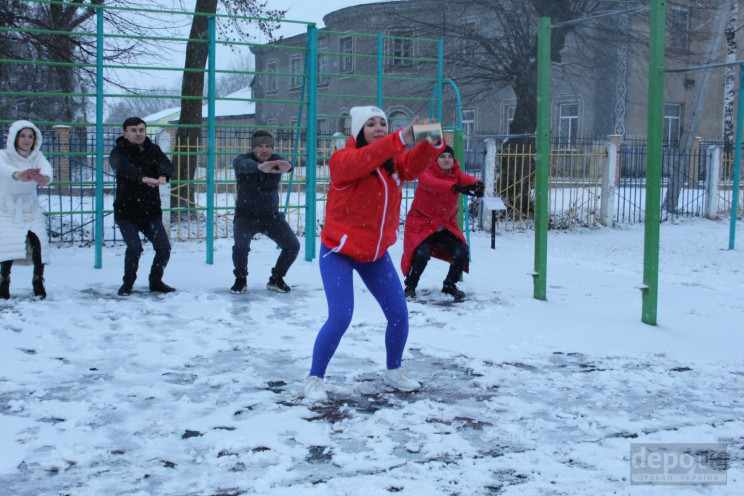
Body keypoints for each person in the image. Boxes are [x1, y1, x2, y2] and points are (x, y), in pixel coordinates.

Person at [304, 106, 445, 402]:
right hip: (339, 250)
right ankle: (315, 377)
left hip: (375, 254)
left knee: (398, 314)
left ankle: (393, 370)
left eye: (383, 122)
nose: (379, 127)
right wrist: (400, 137)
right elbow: (363, 159)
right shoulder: (343, 160)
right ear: (358, 131)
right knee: (341, 316)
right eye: (371, 124)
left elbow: (413, 165)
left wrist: (431, 141)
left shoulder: (392, 163)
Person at [400, 145, 484, 303]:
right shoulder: (426, 173)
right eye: (442, 156)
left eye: (449, 157)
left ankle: (449, 285)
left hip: (444, 228)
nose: (446, 159)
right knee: (421, 254)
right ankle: (410, 285)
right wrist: (455, 188)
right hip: (421, 226)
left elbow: (467, 179)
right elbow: (433, 183)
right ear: (436, 160)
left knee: (462, 252)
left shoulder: (456, 174)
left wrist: (478, 184)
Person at [109, 117, 175, 296]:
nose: (138, 133)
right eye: (133, 130)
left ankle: (156, 281)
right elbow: (123, 168)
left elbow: (165, 163)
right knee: (134, 248)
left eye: (141, 130)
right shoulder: (118, 151)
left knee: (163, 247)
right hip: (127, 212)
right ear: (125, 133)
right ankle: (128, 283)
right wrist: (142, 178)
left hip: (150, 211)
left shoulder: (153, 149)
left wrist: (163, 175)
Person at [230, 130, 300, 294]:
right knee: (240, 247)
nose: (264, 150)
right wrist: (261, 167)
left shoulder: (276, 160)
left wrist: (288, 166)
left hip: (271, 217)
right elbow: (242, 165)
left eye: (268, 146)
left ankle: (276, 279)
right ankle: (240, 279)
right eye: (260, 146)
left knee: (292, 246)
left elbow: (287, 163)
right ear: (253, 148)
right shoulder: (243, 160)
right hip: (245, 216)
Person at [0, 120, 53, 300]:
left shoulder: (37, 156)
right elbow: (4, 169)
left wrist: (43, 178)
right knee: (9, 246)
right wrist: (18, 175)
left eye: (30, 136)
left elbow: (47, 170)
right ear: (14, 137)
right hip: (8, 207)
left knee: (39, 243)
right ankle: (3, 280)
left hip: (30, 206)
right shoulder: (4, 155)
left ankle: (38, 280)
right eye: (22, 135)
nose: (26, 140)